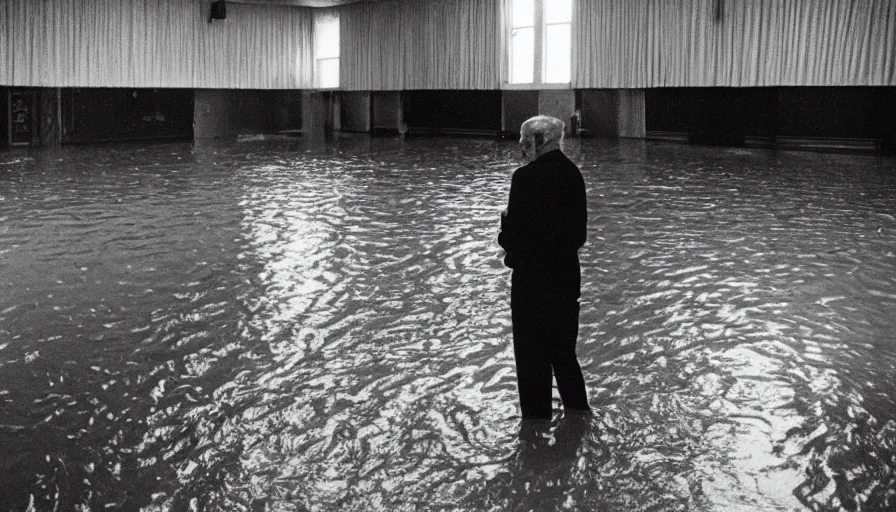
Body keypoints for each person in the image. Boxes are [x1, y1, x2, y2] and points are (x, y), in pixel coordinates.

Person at [498, 115, 590, 419]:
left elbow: (515, 240)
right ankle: (579, 417)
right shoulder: (574, 174)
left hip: (532, 285)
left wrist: (504, 229)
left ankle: (536, 431)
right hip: (565, 280)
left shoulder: (523, 178)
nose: (522, 149)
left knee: (531, 359)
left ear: (541, 141)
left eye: (525, 142)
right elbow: (579, 236)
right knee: (564, 356)